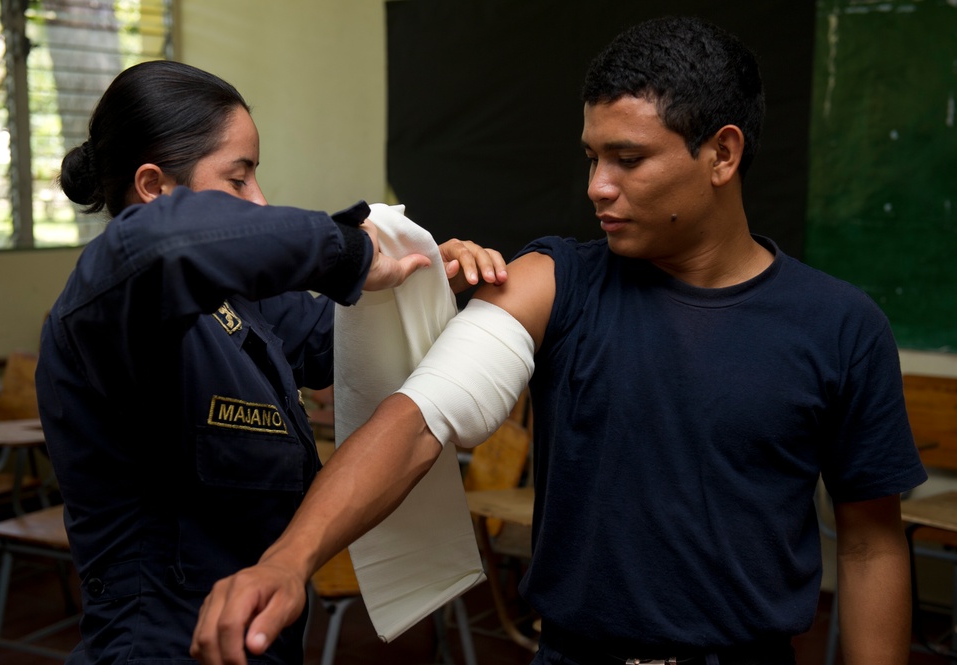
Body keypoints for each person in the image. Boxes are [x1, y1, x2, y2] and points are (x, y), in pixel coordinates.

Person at [190, 16, 927, 665]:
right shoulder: (553, 280)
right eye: (591, 157)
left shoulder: (839, 324)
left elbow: (868, 542)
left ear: (722, 154)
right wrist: (289, 561)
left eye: (628, 159)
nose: (597, 186)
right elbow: (417, 421)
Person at [35, 59, 507, 665]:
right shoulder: (108, 306)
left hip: (267, 634)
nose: (259, 201)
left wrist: (425, 284)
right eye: (238, 181)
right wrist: (349, 251)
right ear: (154, 188)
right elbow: (160, 244)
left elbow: (333, 339)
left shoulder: (240, 307)